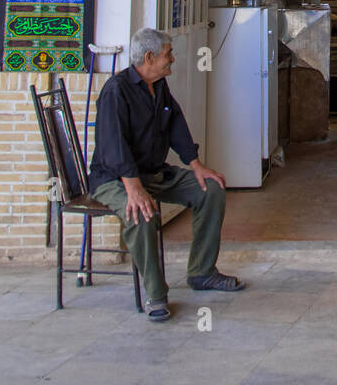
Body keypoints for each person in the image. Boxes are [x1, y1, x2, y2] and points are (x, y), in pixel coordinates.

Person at [88, 27, 244, 322]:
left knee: (210, 190)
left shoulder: (158, 85)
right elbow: (112, 146)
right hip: (114, 179)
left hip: (153, 173)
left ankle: (202, 272)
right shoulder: (116, 90)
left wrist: (196, 164)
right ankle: (156, 295)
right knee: (142, 213)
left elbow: (175, 124)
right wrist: (133, 187)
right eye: (167, 54)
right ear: (149, 57)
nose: (172, 58)